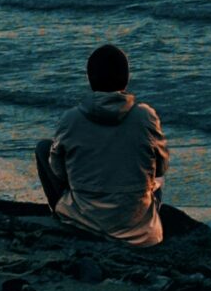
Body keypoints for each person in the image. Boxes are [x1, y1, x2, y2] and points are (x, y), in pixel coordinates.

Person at [35, 43, 168, 247]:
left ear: (90, 80)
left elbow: (59, 172)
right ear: (126, 79)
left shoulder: (71, 119)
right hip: (140, 232)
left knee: (44, 148)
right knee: (156, 178)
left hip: (84, 221)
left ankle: (61, 215)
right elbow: (161, 168)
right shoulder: (145, 116)